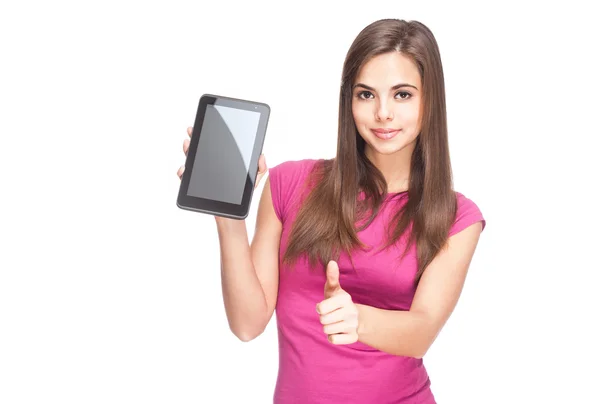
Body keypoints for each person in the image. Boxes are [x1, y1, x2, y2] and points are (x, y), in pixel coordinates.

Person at [177, 18, 486, 404]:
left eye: (402, 95)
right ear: (349, 101)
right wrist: (228, 215)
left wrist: (359, 319)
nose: (383, 113)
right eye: (366, 95)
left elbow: (422, 332)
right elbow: (246, 323)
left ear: (430, 100)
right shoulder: (289, 184)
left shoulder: (457, 216)